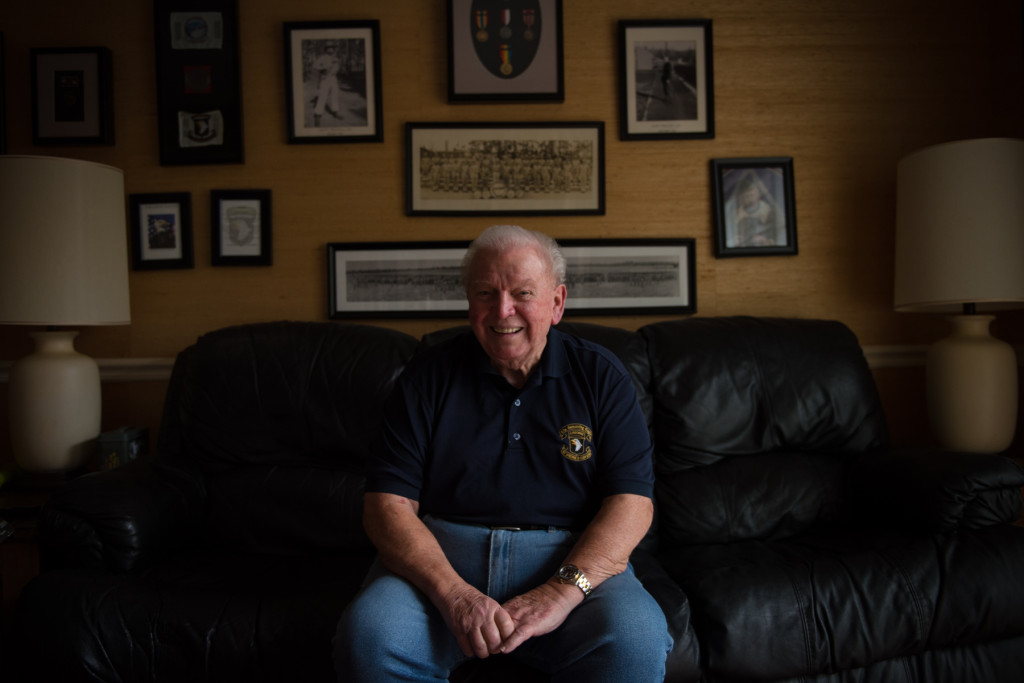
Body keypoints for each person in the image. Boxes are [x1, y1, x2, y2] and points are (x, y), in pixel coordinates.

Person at [334, 225, 672, 682]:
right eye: (485, 293)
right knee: (371, 636)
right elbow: (385, 507)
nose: (502, 311)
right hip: (441, 563)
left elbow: (632, 505)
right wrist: (454, 596)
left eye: (522, 293)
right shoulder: (427, 376)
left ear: (556, 303)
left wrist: (560, 592)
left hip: (570, 559)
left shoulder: (601, 375)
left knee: (635, 639)